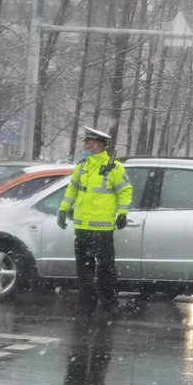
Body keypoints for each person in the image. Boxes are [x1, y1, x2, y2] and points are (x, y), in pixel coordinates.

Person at [57, 126, 132, 317]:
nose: (85, 145)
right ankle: (86, 305)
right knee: (84, 271)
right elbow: (72, 190)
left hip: (102, 229)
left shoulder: (114, 167)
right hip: (81, 227)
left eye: (88, 142)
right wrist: (63, 209)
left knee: (106, 269)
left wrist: (122, 213)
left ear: (98, 145)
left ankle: (109, 303)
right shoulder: (82, 166)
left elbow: (125, 191)